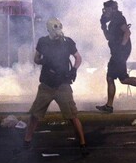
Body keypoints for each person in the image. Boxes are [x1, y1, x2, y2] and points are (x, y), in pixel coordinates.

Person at [24, 17, 88, 155]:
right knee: (35, 114)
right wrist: (43, 61)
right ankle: (27, 141)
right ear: (49, 29)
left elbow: (78, 57)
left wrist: (74, 70)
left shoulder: (67, 42)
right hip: (47, 85)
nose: (57, 30)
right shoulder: (43, 42)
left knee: (72, 115)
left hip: (62, 84)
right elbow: (36, 59)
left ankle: (83, 144)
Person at [96, 0, 136, 113]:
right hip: (117, 52)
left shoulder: (119, 18)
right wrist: (103, 27)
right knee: (123, 79)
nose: (105, 12)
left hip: (119, 53)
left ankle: (109, 106)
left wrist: (121, 47)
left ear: (113, 9)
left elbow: (127, 32)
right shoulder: (112, 22)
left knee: (111, 78)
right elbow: (108, 37)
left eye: (107, 9)